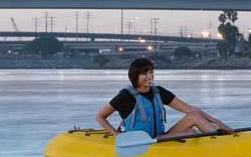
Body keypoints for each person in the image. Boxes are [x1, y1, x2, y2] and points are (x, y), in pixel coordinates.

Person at [96, 58, 232, 138]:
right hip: (141, 142)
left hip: (161, 138)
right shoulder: (125, 96)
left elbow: (191, 110)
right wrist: (116, 134)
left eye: (151, 72)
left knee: (194, 117)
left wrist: (219, 123)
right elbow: (100, 116)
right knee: (191, 132)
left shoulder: (159, 92)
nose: (150, 76)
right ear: (134, 76)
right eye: (145, 73)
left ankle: (219, 138)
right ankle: (218, 142)